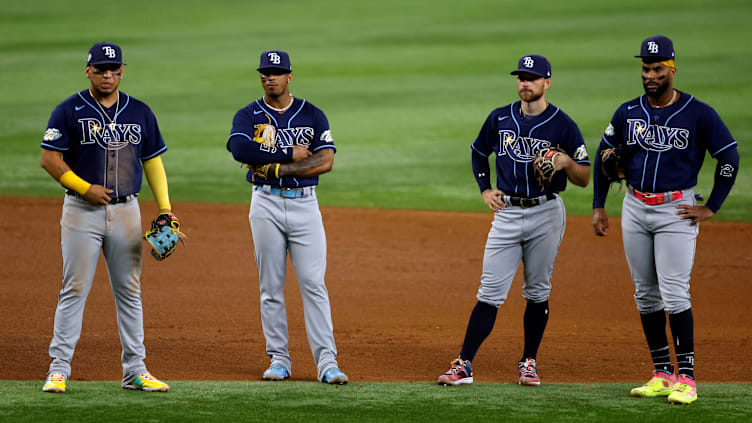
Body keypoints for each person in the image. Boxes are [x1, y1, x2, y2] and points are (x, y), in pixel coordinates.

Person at [592, 35, 739, 405]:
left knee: (675, 293)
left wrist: (712, 206)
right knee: (646, 295)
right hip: (635, 206)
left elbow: (729, 156)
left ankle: (686, 379)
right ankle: (661, 373)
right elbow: (603, 155)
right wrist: (598, 204)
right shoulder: (627, 112)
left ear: (672, 69)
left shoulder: (698, 113)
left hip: (676, 210)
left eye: (657, 68)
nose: (650, 75)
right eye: (645, 68)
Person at [437, 55, 591, 386]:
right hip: (506, 213)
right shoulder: (500, 118)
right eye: (521, 77)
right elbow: (479, 151)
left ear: (547, 82)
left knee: (537, 291)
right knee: (490, 291)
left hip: (546, 213)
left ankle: (528, 362)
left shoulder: (563, 125)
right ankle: (464, 364)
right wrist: (484, 189)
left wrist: (564, 162)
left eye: (532, 78)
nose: (525, 83)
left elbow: (584, 178)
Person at [40, 42, 176, 393]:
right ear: (88, 71)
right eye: (100, 69)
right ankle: (59, 370)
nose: (107, 75)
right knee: (74, 288)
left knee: (129, 290)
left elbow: (153, 161)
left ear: (122, 71)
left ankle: (135, 370)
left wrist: (165, 207)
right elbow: (50, 159)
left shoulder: (140, 112)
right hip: (81, 210)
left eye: (113, 69)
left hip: (127, 210)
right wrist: (84, 188)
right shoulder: (68, 110)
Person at [226, 50, 348, 385]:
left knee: (313, 284)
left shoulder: (312, 114)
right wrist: (285, 158)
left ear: (289, 76)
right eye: (265, 72)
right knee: (270, 287)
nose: (270, 77)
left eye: (277, 72)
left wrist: (269, 167)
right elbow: (239, 149)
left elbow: (325, 161)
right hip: (265, 205)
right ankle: (279, 359)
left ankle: (327, 362)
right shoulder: (249, 114)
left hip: (305, 205)